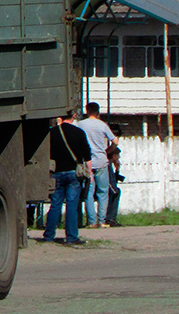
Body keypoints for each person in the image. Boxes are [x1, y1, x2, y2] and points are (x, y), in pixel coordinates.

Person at [42, 109, 92, 246]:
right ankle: (71, 237)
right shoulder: (79, 133)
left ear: (60, 116)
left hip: (56, 172)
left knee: (55, 204)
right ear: (73, 116)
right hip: (73, 173)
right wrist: (90, 173)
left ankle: (49, 235)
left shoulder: (52, 133)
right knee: (72, 205)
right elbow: (87, 155)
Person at [77, 102, 117, 229]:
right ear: (98, 112)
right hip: (101, 161)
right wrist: (109, 151)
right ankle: (102, 220)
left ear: (87, 111)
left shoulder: (81, 124)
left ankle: (91, 221)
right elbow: (115, 140)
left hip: (87, 162)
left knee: (89, 191)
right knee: (103, 192)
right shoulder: (102, 125)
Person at [104, 125, 124, 227]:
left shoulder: (110, 166)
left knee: (116, 191)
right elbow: (110, 183)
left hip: (106, 186)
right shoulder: (107, 166)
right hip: (104, 187)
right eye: (117, 155)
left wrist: (117, 170)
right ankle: (110, 218)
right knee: (115, 192)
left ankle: (111, 217)